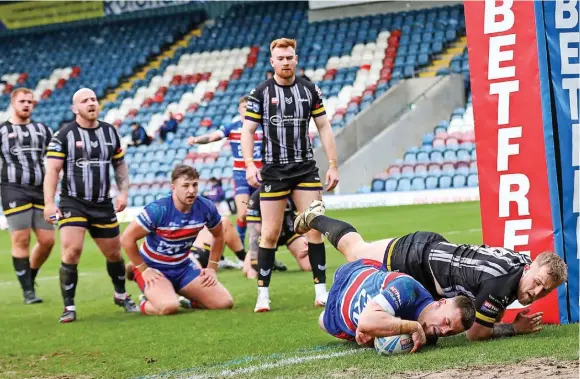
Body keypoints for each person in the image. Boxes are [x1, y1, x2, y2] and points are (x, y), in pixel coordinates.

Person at [295, 200, 568, 341]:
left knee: (360, 253)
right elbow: (477, 334)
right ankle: (316, 217)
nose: (536, 292)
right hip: (416, 258)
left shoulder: (520, 262)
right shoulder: (502, 284)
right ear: (530, 267)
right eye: (538, 282)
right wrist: (514, 329)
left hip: (433, 250)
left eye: (545, 290)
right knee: (355, 252)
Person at [241, 37, 340, 312]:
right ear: (272, 62)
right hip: (273, 172)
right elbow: (247, 131)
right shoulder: (259, 92)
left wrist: (333, 164)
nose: (286, 62)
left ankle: (321, 291)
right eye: (281, 58)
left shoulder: (310, 90)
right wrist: (250, 164)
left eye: (290, 57)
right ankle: (263, 295)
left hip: (305, 168)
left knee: (314, 226)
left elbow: (324, 127)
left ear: (296, 59)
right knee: (270, 233)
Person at [44, 88, 138, 323]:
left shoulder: (109, 132)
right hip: (73, 202)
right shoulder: (64, 135)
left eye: (93, 99)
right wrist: (48, 203)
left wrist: (123, 192)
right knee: (72, 250)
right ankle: (69, 307)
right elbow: (53, 170)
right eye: (84, 101)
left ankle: (120, 294)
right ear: (75, 108)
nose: (91, 103)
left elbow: (119, 165)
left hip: (102, 203)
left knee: (115, 253)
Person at [120, 165, 233, 315]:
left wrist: (212, 268)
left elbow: (219, 235)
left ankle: (188, 300)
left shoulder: (206, 208)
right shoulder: (158, 210)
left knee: (224, 303)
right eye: (185, 186)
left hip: (184, 267)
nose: (191, 190)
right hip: (154, 267)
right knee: (169, 307)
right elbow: (127, 239)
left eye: (194, 185)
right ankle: (143, 297)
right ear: (173, 188)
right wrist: (144, 269)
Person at [321, 259, 475, 351]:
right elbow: (366, 321)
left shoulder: (427, 337)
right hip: (352, 273)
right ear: (441, 303)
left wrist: (374, 336)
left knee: (322, 322)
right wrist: (412, 327)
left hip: (337, 319)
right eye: (446, 322)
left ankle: (328, 299)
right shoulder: (408, 289)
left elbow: (367, 326)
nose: (443, 331)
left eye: (449, 333)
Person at [0, 88, 55, 304]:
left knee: (48, 240)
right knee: (21, 238)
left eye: (30, 102)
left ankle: (29, 277)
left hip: (40, 189)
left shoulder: (42, 130)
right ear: (13, 103)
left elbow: (56, 156)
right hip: (13, 188)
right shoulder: (2, 131)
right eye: (22, 101)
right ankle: (28, 292)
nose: (26, 105)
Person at [189, 96, 261, 251]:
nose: (247, 110)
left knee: (264, 217)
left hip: (262, 176)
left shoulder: (263, 126)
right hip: (242, 176)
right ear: (239, 110)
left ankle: (264, 252)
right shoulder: (232, 127)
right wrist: (196, 140)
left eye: (249, 107)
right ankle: (242, 251)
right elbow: (211, 137)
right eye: (244, 107)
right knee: (242, 214)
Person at [244, 188, 311, 280]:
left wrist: (309, 241)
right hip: (265, 236)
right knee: (250, 272)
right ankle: (269, 260)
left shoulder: (293, 191)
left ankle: (270, 260)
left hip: (289, 231)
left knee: (309, 266)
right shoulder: (255, 198)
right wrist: (254, 259)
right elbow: (254, 233)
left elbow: (306, 217)